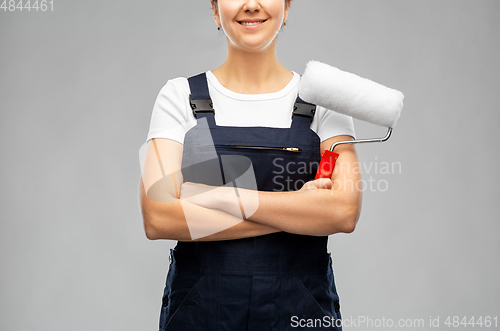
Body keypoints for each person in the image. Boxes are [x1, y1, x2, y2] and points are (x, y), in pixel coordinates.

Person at [139, 0, 362, 330]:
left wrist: (223, 198)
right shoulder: (179, 97)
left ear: (286, 7)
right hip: (200, 316)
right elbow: (158, 217)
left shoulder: (325, 102)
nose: (251, 4)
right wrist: (299, 210)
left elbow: (343, 211)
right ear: (215, 10)